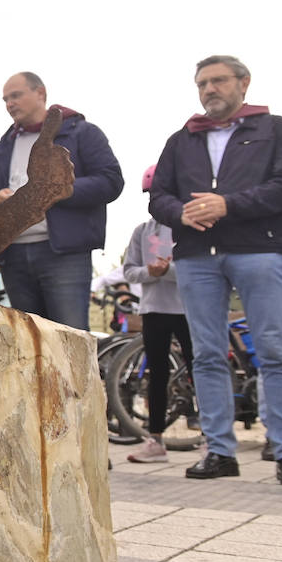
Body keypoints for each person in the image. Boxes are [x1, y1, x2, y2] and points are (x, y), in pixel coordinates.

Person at [150, 55, 282, 486]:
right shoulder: (182, 139)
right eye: (202, 83)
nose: (209, 89)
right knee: (208, 353)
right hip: (196, 256)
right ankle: (219, 451)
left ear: (243, 83)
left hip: (259, 251)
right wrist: (181, 213)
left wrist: (227, 204)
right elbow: (158, 196)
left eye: (217, 81)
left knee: (275, 349)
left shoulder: (277, 130)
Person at [0, 71, 124, 330]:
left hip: (64, 254)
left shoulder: (82, 133)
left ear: (40, 93)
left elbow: (111, 181)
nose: (10, 104)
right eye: (5, 99)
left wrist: (57, 192)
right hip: (13, 255)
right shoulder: (2, 147)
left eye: (16, 95)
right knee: (28, 343)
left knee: (70, 339)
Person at [124, 165, 194, 463]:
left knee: (199, 369)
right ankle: (155, 439)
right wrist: (152, 273)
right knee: (156, 375)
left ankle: (212, 437)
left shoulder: (189, 226)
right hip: (153, 309)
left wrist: (169, 271)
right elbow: (130, 270)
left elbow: (198, 269)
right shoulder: (142, 231)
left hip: (188, 308)